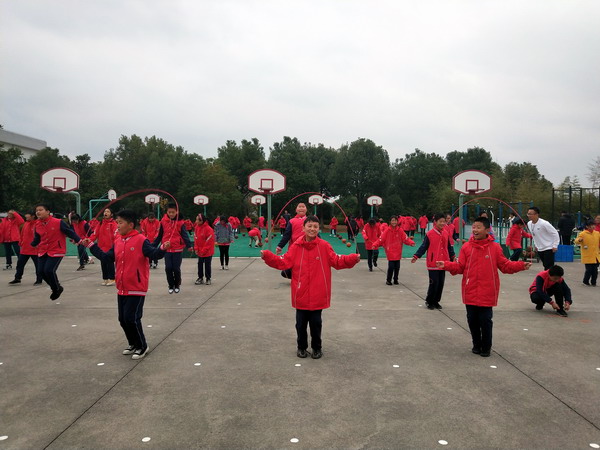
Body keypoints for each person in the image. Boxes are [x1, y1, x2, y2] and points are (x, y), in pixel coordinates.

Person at [260, 215, 360, 359]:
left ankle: (316, 348)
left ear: (318, 229)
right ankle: (301, 347)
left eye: (315, 226)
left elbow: (337, 261)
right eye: (309, 226)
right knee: (300, 324)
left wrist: (353, 258)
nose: (312, 229)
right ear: (303, 228)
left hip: (318, 293)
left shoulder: (324, 246)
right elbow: (283, 262)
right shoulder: (296, 246)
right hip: (300, 292)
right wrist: (267, 255)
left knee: (316, 323)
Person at [437, 217, 531, 357]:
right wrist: (446, 265)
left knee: (485, 320)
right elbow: (460, 267)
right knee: (472, 320)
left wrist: (521, 265)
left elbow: (505, 266)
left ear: (487, 230)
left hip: (488, 290)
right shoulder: (466, 247)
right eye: (474, 227)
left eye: (478, 227)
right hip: (470, 289)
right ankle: (476, 344)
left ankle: (486, 347)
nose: (475, 230)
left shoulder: (495, 247)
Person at [84, 209, 169, 360]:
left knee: (132, 318)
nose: (117, 225)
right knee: (123, 319)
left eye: (120, 222)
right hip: (122, 287)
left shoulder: (141, 240)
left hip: (136, 287)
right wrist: (91, 245)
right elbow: (106, 257)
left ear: (130, 225)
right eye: (117, 222)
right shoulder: (118, 241)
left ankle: (142, 346)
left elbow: (154, 254)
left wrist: (162, 248)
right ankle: (133, 343)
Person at [30, 204, 83, 300]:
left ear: (47, 212)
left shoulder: (58, 222)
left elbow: (69, 232)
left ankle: (56, 289)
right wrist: (32, 244)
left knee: (49, 270)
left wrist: (79, 240)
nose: (38, 212)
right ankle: (56, 287)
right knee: (40, 272)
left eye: (40, 210)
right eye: (37, 210)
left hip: (56, 250)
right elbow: (37, 238)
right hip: (43, 250)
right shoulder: (37, 224)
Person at [411, 213, 455, 310]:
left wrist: (452, 256)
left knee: (440, 283)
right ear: (435, 222)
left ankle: (436, 301)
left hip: (443, 263)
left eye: (444, 221)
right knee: (434, 283)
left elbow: (449, 246)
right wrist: (416, 256)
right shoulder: (430, 234)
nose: (442, 223)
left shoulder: (446, 233)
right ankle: (429, 301)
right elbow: (424, 246)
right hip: (433, 263)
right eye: (440, 221)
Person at [153, 204, 193, 294]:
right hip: (167, 249)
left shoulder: (180, 222)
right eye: (169, 212)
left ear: (176, 212)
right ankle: (171, 285)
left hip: (177, 249)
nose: (171, 214)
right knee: (168, 268)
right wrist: (153, 245)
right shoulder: (163, 221)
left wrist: (189, 245)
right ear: (167, 212)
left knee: (176, 268)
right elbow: (160, 235)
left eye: (173, 212)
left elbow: (184, 235)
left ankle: (177, 284)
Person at [374, 215, 415, 285]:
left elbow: (405, 238)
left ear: (397, 221)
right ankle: (388, 280)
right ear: (390, 221)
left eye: (395, 220)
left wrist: (411, 243)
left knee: (397, 267)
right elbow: (381, 239)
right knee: (391, 267)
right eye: (392, 220)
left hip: (398, 251)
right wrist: (375, 244)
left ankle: (395, 279)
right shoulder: (387, 230)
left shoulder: (400, 230)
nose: (394, 222)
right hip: (390, 251)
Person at [9, 211, 42, 285]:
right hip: (25, 249)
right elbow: (22, 234)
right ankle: (17, 278)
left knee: (38, 265)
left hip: (35, 249)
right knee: (20, 264)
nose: (26, 216)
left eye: (28, 215)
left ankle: (39, 279)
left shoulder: (37, 224)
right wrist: (21, 242)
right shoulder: (26, 224)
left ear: (33, 216)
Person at [276, 203, 309, 279]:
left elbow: (316, 234)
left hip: (307, 248)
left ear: (306, 209)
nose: (301, 208)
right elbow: (287, 235)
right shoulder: (292, 221)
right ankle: (297, 277)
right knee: (287, 272)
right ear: (296, 210)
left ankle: (305, 278)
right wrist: (280, 246)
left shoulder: (310, 220)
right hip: (294, 249)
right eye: (299, 207)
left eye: (303, 206)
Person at [89, 208, 117, 285]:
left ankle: (112, 278)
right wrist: (89, 240)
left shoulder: (113, 224)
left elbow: (116, 235)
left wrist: (115, 245)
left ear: (111, 214)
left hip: (110, 247)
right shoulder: (101, 223)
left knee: (109, 262)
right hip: (101, 246)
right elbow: (95, 234)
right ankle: (105, 278)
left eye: (108, 211)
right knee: (103, 263)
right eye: (105, 211)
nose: (106, 213)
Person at [574, 220, 600, 286]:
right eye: (591, 225)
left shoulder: (597, 233)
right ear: (587, 226)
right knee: (589, 270)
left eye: (594, 225)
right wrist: (579, 240)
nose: (593, 226)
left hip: (596, 255)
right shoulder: (583, 233)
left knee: (595, 271)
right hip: (587, 255)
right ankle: (585, 281)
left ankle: (593, 282)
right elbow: (576, 240)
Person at [193, 214, 214, 285]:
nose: (196, 221)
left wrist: (203, 250)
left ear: (201, 221)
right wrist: (196, 248)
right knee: (200, 264)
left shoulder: (209, 229)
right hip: (200, 251)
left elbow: (209, 242)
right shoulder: (196, 228)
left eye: (197, 220)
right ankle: (200, 278)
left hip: (208, 251)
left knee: (207, 264)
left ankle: (208, 278)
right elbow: (195, 239)